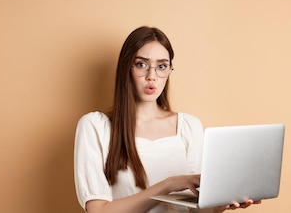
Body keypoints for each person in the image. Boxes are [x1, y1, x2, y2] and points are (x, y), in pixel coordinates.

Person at [73, 26, 260, 213]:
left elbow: (198, 210)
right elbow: (98, 210)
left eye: (161, 66)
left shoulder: (189, 126)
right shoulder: (95, 126)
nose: (152, 76)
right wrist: (168, 185)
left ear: (169, 70)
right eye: (141, 64)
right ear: (126, 67)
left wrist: (221, 203)